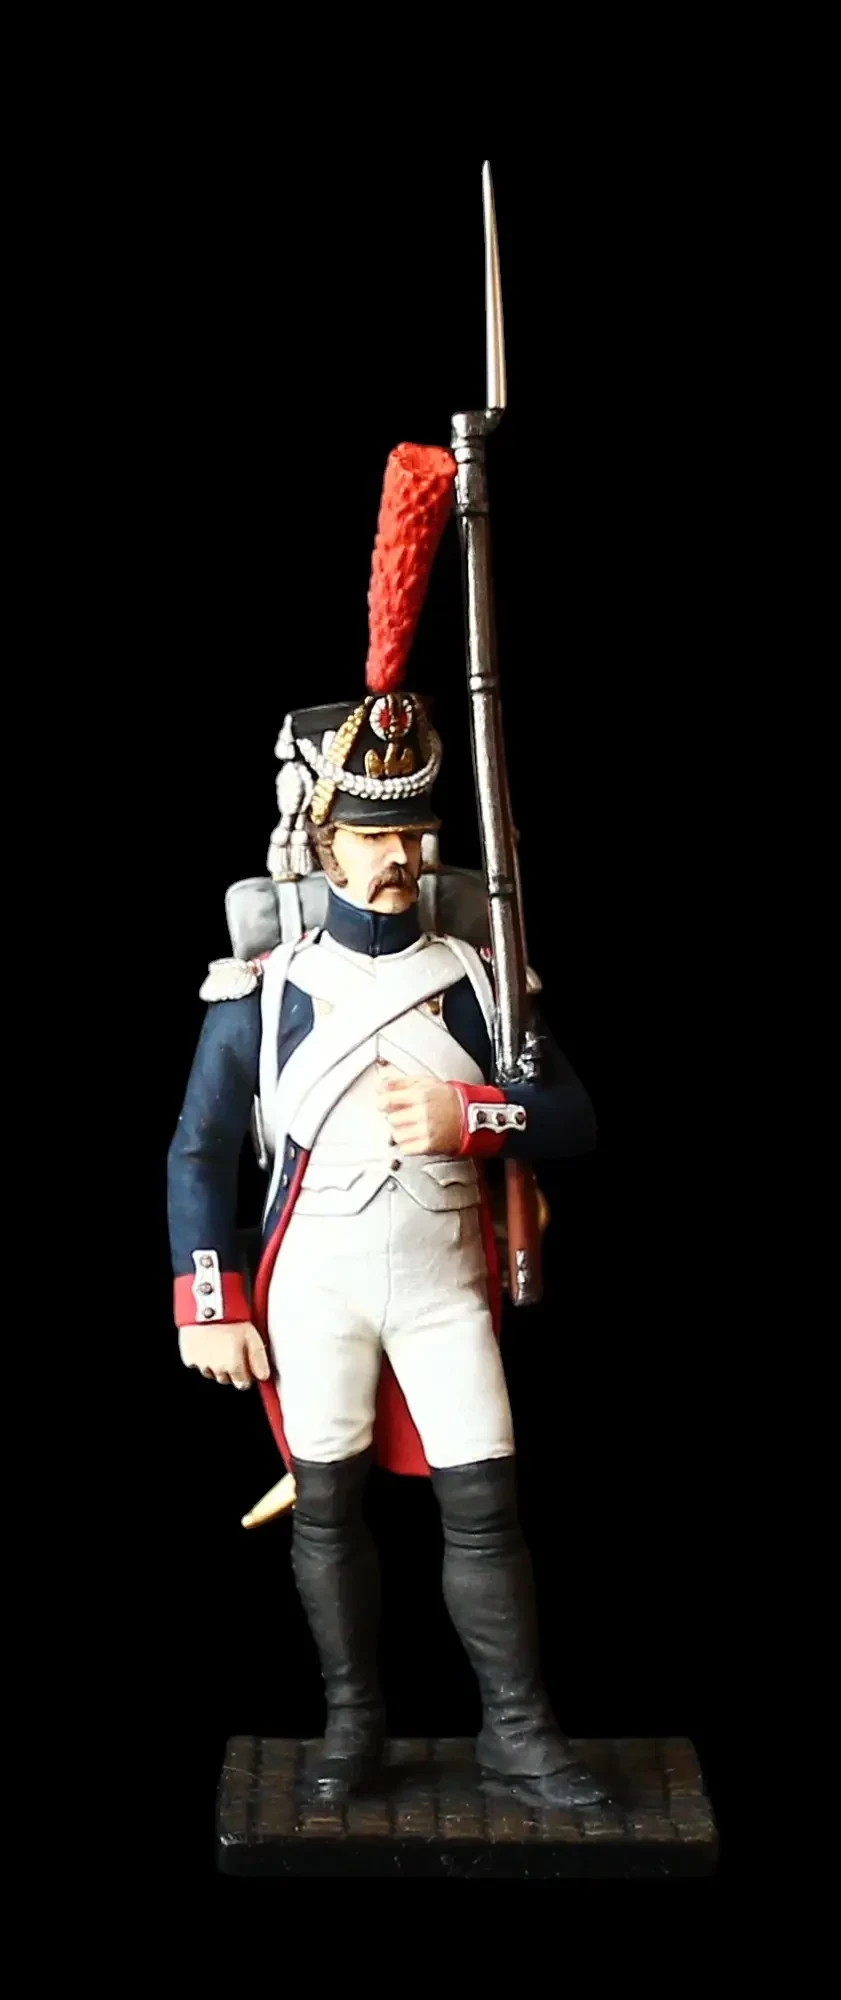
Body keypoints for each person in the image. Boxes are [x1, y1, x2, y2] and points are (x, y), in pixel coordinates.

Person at [167, 442, 606, 1809]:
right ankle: (353, 1730)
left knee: (487, 1503)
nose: (399, 854)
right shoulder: (264, 992)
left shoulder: (483, 977)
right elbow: (201, 1151)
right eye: (371, 832)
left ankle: (518, 1736)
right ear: (327, 837)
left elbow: (569, 1119)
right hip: (314, 1285)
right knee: (332, 1507)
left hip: (444, 1281)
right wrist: (208, 1303)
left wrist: (472, 1112)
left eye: (412, 831)